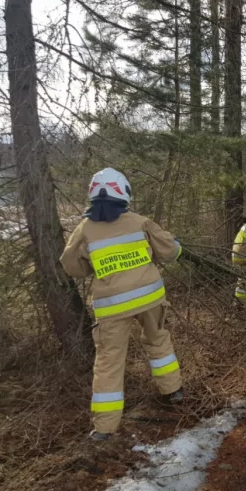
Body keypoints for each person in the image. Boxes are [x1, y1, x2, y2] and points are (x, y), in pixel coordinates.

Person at [60, 168, 184, 440]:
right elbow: (171, 252)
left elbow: (72, 266)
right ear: (124, 192)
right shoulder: (140, 221)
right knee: (158, 341)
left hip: (112, 306)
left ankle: (104, 428)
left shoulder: (84, 230)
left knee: (109, 362)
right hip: (150, 298)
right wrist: (176, 244)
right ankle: (173, 391)